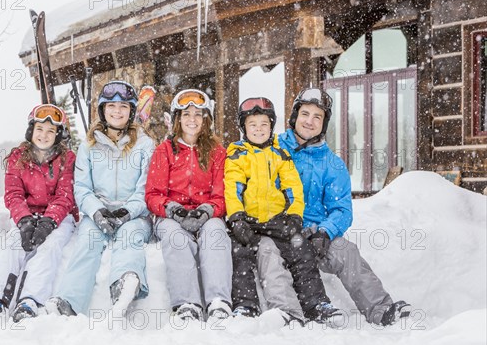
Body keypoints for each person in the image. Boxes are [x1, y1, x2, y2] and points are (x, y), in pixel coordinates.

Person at [260, 87, 411, 326]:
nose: (309, 121)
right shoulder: (272, 149)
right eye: (305, 114)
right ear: (294, 117)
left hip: (313, 234)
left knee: (345, 250)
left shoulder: (332, 164)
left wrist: (325, 232)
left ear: (324, 123)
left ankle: (381, 310)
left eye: (317, 117)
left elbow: (341, 210)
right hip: (278, 229)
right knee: (267, 253)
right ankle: (288, 314)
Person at [224, 97, 342, 325]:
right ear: (243, 128)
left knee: (301, 250)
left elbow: (293, 188)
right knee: (240, 254)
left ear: (271, 127)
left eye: (263, 125)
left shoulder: (280, 154)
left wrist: (294, 216)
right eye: (252, 125)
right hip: (248, 222)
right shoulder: (237, 154)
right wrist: (237, 218)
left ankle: (316, 304)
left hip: (277, 221)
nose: (258, 130)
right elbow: (233, 188)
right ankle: (245, 305)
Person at [46, 81, 155, 318]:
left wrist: (128, 211)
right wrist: (96, 211)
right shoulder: (89, 146)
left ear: (132, 111)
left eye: (123, 106)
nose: (117, 111)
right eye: (112, 106)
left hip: (133, 214)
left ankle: (124, 282)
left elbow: (146, 188)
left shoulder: (145, 145)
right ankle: (69, 301)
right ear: (103, 110)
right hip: (99, 212)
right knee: (87, 242)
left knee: (130, 238)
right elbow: (82, 188)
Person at [0, 103, 77, 322]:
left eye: (51, 131)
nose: (44, 135)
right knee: (13, 244)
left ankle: (30, 300)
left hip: (58, 218)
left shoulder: (67, 159)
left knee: (48, 248)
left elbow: (65, 195)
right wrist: (23, 219)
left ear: (58, 134)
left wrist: (49, 221)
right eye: (40, 129)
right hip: (27, 214)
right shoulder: (18, 158)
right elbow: (13, 194)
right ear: (31, 131)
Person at [145, 89, 232, 321]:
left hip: (205, 214)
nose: (192, 119)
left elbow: (222, 195)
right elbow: (153, 194)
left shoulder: (217, 152)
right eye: (186, 114)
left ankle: (218, 301)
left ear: (207, 119)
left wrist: (208, 210)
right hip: (172, 215)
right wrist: (172, 209)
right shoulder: (164, 151)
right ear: (177, 119)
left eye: (198, 114)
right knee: (176, 238)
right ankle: (187, 304)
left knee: (215, 232)